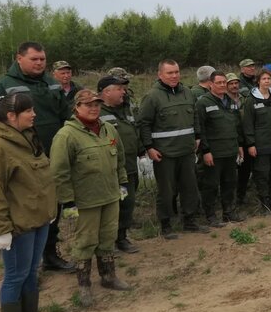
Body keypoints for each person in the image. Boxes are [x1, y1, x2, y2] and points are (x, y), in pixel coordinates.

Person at [0, 93, 57, 312]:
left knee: (31, 271)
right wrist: (0, 229)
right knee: (15, 274)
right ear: (11, 116)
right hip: (18, 224)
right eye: (28, 111)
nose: (34, 114)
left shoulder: (27, 138)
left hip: (38, 218)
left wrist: (48, 209)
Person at [0, 41, 73, 272]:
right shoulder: (3, 86)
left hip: (52, 157)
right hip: (22, 161)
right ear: (19, 58)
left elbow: (66, 115)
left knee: (52, 208)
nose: (39, 63)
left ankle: (50, 255)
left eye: (42, 59)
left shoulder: (52, 84)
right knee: (26, 210)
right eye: (34, 59)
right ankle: (27, 268)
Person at [50, 89, 132, 308]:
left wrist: (122, 183)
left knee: (107, 237)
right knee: (86, 241)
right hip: (85, 201)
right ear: (77, 108)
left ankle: (108, 277)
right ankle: (84, 285)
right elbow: (59, 171)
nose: (94, 108)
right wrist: (67, 201)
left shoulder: (109, 129)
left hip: (110, 195)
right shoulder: (66, 135)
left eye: (96, 104)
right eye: (88, 105)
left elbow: (120, 159)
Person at [138, 59, 207, 238]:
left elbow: (195, 118)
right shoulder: (152, 96)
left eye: (176, 72)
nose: (175, 75)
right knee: (167, 191)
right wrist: (149, 148)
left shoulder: (187, 93)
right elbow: (144, 124)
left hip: (186, 151)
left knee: (189, 188)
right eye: (170, 73)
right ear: (160, 75)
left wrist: (197, 137)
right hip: (164, 153)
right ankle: (166, 224)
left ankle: (189, 220)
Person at [98, 75, 141, 253]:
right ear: (107, 92)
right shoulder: (97, 112)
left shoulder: (126, 109)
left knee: (127, 202)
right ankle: (105, 242)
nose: (124, 92)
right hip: (108, 168)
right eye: (119, 89)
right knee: (108, 206)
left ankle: (121, 238)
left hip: (128, 164)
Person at [195, 71, 245, 225]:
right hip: (214, 153)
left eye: (224, 82)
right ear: (211, 84)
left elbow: (237, 126)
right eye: (219, 83)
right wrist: (205, 151)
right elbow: (200, 129)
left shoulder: (230, 102)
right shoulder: (203, 103)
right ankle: (210, 215)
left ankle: (228, 212)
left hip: (230, 150)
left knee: (229, 183)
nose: (223, 85)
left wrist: (240, 145)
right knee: (210, 185)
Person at [242, 70, 271, 212]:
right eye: (263, 79)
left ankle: (270, 196)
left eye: (268, 79)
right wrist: (250, 144)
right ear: (258, 81)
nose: (267, 81)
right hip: (261, 144)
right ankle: (263, 199)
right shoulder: (251, 100)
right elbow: (248, 124)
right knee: (262, 172)